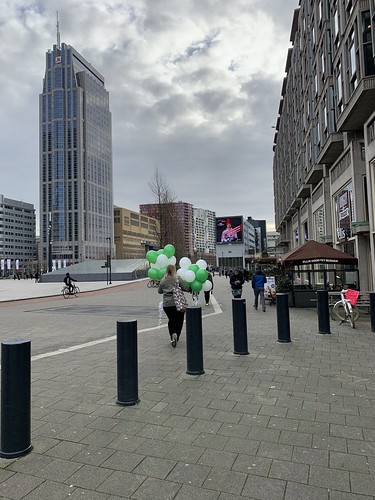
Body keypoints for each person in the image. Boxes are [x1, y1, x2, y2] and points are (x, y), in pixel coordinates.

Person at [158, 265, 190, 347]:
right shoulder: (177, 279)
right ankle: (176, 334)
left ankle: (172, 335)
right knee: (179, 320)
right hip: (177, 303)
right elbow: (185, 288)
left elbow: (159, 291)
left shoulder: (163, 280)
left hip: (167, 304)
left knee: (171, 320)